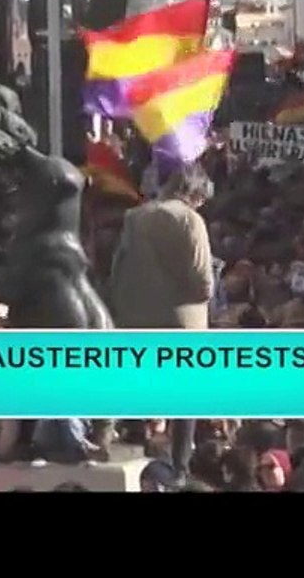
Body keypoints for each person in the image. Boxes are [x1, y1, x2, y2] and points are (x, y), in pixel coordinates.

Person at [108, 162, 215, 484]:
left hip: (136, 317)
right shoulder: (189, 220)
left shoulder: (135, 217)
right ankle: (180, 467)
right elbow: (203, 282)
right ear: (196, 193)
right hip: (181, 323)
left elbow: (118, 267)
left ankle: (136, 445)